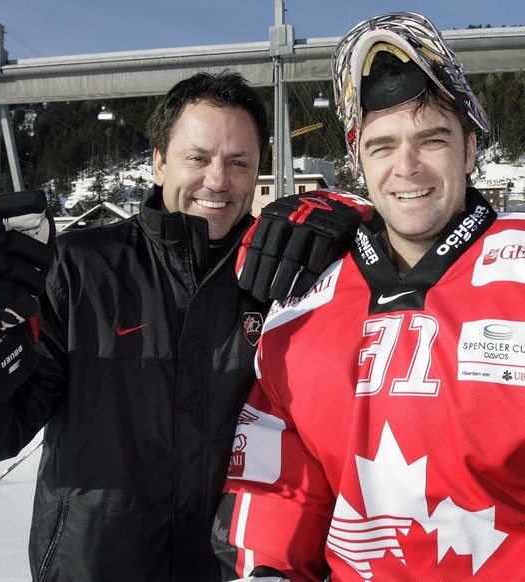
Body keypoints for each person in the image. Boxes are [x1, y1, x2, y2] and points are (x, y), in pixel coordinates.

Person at [0, 71, 363, 581]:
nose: (217, 180)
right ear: (159, 163)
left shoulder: (286, 281)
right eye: (197, 157)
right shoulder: (79, 270)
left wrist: (353, 219)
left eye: (238, 162)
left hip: (236, 571)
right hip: (95, 568)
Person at [212, 12, 525, 581]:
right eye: (382, 146)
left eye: (432, 139)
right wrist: (270, 570)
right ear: (359, 160)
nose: (406, 167)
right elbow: (279, 482)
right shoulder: (302, 301)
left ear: (471, 147)